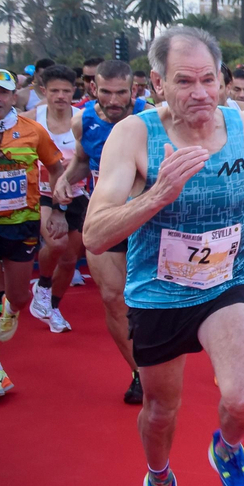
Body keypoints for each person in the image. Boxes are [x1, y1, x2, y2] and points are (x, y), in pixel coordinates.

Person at [82, 27, 244, 486]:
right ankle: (159, 482)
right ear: (159, 84)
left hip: (226, 281)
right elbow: (95, 234)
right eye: (184, 81)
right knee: (161, 412)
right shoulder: (136, 136)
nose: (201, 93)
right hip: (159, 292)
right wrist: (158, 195)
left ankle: (226, 450)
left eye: (209, 79)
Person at [0, 67, 70, 401]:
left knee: (19, 296)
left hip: (22, 224)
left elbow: (57, 167)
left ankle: (12, 307)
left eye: (2, 92)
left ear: (13, 96)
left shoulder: (32, 130)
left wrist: (57, 206)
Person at [58, 59, 146, 403]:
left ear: (134, 91)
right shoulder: (84, 121)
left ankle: (158, 359)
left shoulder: (150, 117)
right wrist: (66, 180)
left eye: (120, 92)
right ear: (93, 88)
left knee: (147, 301)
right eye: (105, 92)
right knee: (112, 297)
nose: (113, 100)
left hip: (145, 220)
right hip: (105, 218)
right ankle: (138, 372)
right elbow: (82, 160)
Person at [26, 65, 90, 333]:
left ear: (74, 91)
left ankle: (52, 306)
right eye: (55, 91)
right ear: (44, 91)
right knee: (56, 242)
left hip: (77, 194)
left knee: (69, 258)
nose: (61, 96)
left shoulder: (83, 118)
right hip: (42, 193)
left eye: (66, 90)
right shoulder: (31, 119)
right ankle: (42, 283)